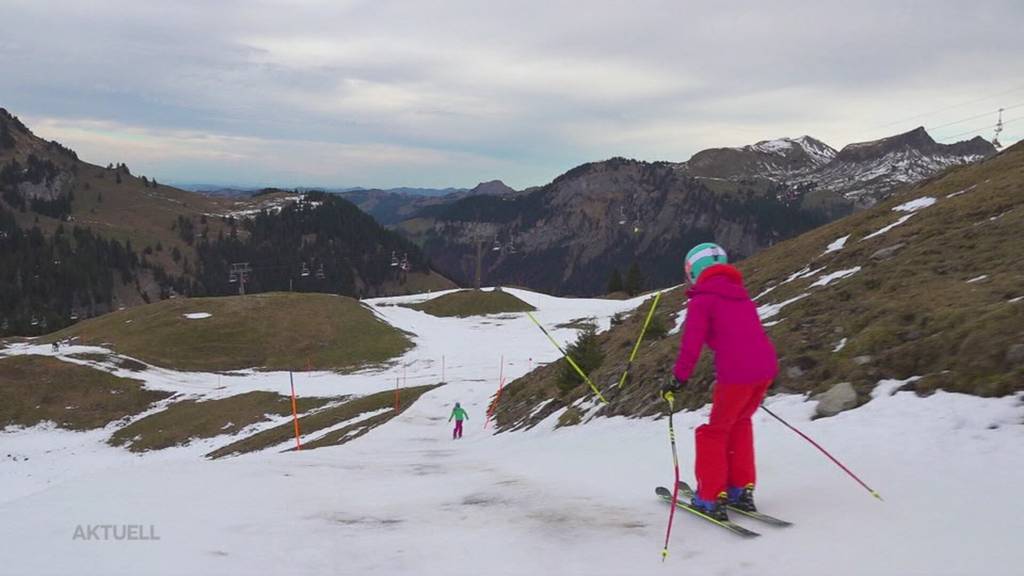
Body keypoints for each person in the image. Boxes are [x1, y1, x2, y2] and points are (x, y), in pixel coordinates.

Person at [661, 242, 778, 521]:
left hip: (736, 377)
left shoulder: (703, 299)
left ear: (695, 271)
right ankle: (740, 490)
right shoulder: (742, 296)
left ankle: (710, 497)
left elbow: (691, 346)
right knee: (739, 423)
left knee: (713, 432)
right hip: (764, 371)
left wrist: (677, 379)